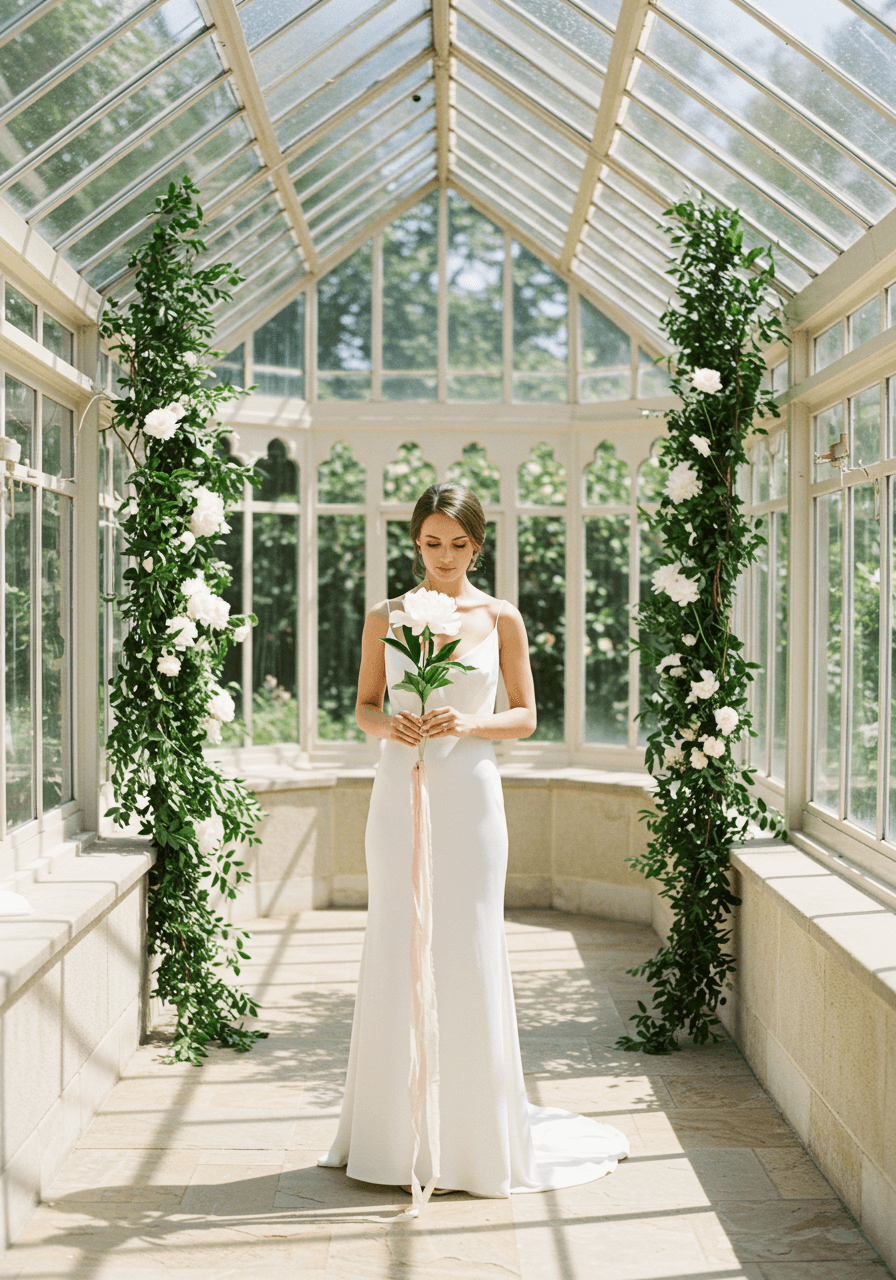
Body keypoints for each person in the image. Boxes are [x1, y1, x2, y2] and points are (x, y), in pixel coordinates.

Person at [319, 482, 628, 1199]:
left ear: (477, 546)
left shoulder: (501, 618)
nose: (445, 557)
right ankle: (390, 1139)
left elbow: (525, 717)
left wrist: (465, 725)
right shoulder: (384, 616)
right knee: (398, 940)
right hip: (400, 791)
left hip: (470, 796)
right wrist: (390, 725)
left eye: (459, 545)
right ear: (414, 543)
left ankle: (472, 1141)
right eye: (432, 543)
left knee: (468, 944)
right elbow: (363, 707)